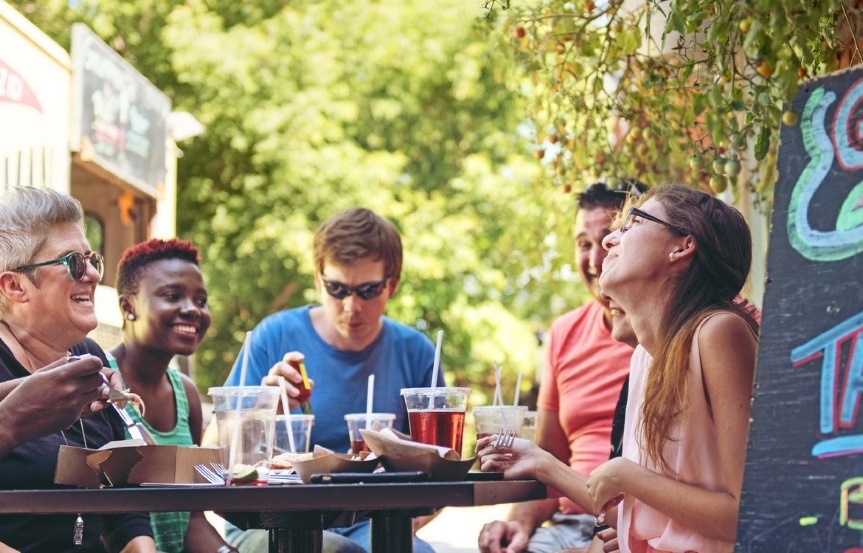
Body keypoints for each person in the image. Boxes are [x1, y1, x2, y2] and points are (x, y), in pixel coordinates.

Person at [477, 183, 760, 553]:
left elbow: (749, 514)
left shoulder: (719, 332)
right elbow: (641, 514)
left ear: (682, 246)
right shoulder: (645, 355)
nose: (610, 241)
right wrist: (540, 462)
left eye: (631, 224)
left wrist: (630, 476)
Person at [220, 207, 442, 553]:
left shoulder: (418, 353)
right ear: (317, 280)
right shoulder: (274, 335)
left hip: (371, 520)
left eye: (367, 290)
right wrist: (263, 409)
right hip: (270, 520)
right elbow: (215, 451)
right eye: (336, 288)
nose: (351, 306)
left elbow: (440, 469)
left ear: (392, 285)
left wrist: (402, 522)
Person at [478, 180, 647, 553]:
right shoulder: (563, 333)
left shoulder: (673, 333)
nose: (593, 259)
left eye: (608, 240)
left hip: (638, 524)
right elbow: (547, 456)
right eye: (583, 244)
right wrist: (518, 524)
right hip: (569, 523)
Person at [0, 186, 156, 552]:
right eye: (72, 261)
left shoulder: (87, 355)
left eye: (92, 260)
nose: (92, 274)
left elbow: (123, 505)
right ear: (15, 286)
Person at [106, 238, 237, 553]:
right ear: (128, 307)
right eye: (172, 296)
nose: (193, 309)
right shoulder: (99, 383)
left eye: (201, 300)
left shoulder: (186, 394)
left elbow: (191, 518)